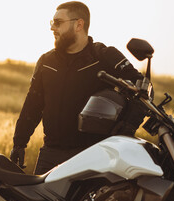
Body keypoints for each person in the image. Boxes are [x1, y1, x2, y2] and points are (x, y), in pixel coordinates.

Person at [10, 1, 144, 175]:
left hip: (94, 154)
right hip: (51, 153)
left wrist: (127, 127)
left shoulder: (104, 56)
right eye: (52, 23)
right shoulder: (46, 61)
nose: (53, 28)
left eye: (58, 23)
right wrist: (19, 143)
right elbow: (33, 104)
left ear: (79, 24)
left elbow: (143, 89)